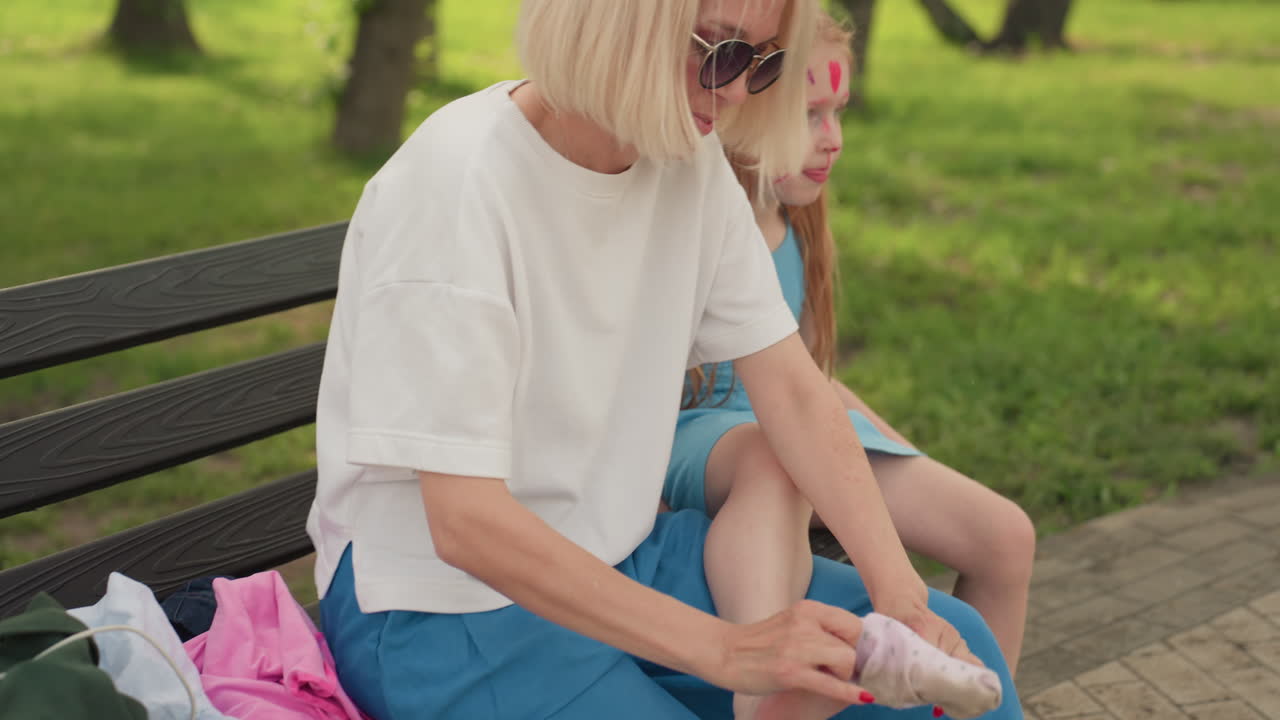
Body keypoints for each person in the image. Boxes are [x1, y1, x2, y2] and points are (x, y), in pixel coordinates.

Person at [305, 0, 1024, 718]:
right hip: (441, 608)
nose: (739, 90)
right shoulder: (457, 182)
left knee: (961, 642)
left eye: (763, 61)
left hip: (622, 554)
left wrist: (900, 599)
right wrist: (727, 651)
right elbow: (464, 524)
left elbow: (798, 396)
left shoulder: (688, 163)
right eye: (717, 52)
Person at [663, 11, 1035, 676]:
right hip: (701, 440)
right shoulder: (683, 217)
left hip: (791, 422)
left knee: (1006, 536)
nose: (832, 140)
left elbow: (806, 379)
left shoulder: (796, 221)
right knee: (773, 458)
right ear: (746, 99)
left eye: (839, 112)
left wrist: (891, 451)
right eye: (809, 114)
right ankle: (769, 686)